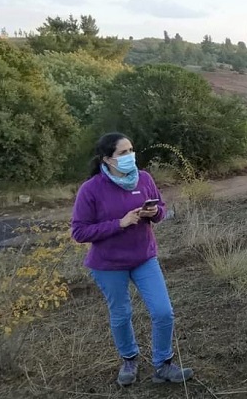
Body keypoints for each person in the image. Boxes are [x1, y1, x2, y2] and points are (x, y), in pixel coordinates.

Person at [71, 133, 193, 386]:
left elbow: (161, 210)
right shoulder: (91, 189)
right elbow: (79, 231)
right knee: (121, 314)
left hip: (144, 258)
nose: (130, 157)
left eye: (131, 151)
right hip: (108, 264)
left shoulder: (144, 178)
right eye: (123, 153)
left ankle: (163, 365)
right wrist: (120, 223)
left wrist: (154, 212)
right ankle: (129, 360)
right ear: (107, 159)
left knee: (163, 312)